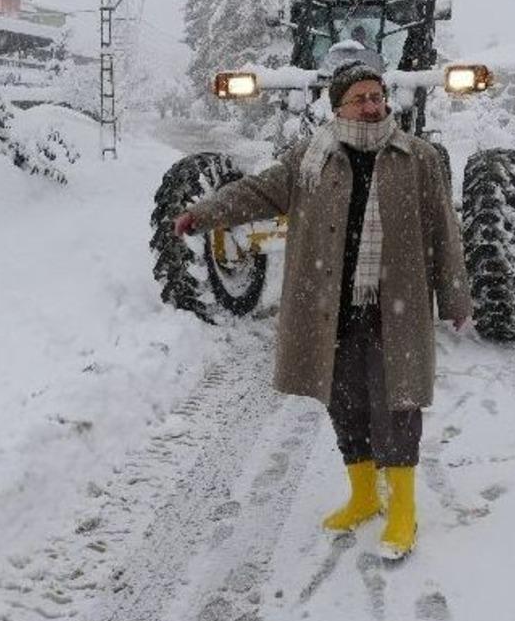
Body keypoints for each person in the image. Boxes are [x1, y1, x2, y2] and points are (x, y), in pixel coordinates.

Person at [174, 61, 471, 559]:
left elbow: (444, 229)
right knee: (344, 400)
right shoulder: (310, 158)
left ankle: (402, 510)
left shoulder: (417, 157)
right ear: (337, 106)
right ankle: (361, 494)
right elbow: (257, 192)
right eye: (360, 98)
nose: (372, 105)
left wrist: (456, 296)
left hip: (393, 309)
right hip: (329, 307)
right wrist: (203, 214)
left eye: (377, 96)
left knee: (397, 404)